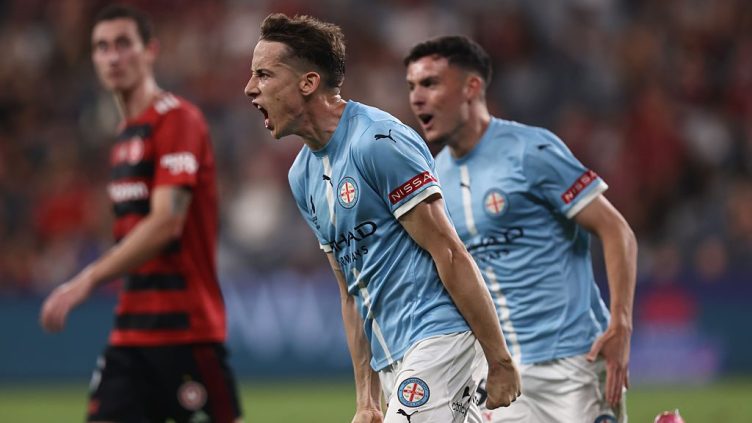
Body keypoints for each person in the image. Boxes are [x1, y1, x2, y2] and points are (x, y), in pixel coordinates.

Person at [244, 14, 521, 423]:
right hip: (394, 357)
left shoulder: (377, 142)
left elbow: (449, 251)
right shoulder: (302, 176)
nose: (250, 88)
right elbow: (350, 292)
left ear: (308, 82)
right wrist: (366, 400)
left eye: (264, 74)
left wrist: (500, 360)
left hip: (438, 336)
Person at [404, 35, 637, 423]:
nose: (416, 98)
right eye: (411, 86)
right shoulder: (433, 179)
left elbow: (616, 230)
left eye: (430, 83)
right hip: (502, 371)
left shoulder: (530, 150)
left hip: (574, 363)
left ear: (471, 87)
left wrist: (621, 323)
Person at [39, 5, 243, 423]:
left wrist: (86, 280)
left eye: (123, 44)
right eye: (102, 47)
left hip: (186, 330)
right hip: (131, 332)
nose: (113, 56)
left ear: (150, 50)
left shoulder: (178, 120)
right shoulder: (122, 137)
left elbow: (167, 222)